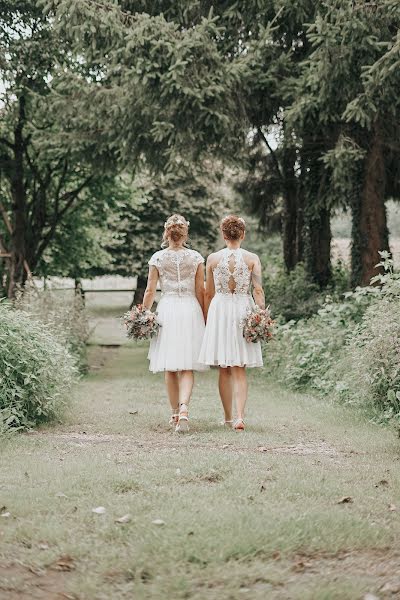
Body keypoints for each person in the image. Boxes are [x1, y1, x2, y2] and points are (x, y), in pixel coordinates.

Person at [198, 215, 264, 430]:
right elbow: (258, 290)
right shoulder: (252, 258)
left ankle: (227, 418)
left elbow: (208, 293)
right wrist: (260, 315)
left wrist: (207, 317)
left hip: (221, 310)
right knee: (239, 368)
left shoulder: (213, 259)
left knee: (224, 368)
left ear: (223, 234)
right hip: (244, 309)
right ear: (243, 234)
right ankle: (239, 417)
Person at [143, 214, 207, 432]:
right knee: (188, 365)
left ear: (167, 233)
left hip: (167, 310)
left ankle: (173, 414)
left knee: (170, 366)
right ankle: (184, 410)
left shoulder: (158, 258)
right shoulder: (196, 257)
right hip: (190, 310)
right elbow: (200, 291)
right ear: (184, 233)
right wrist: (205, 316)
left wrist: (143, 313)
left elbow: (151, 290)